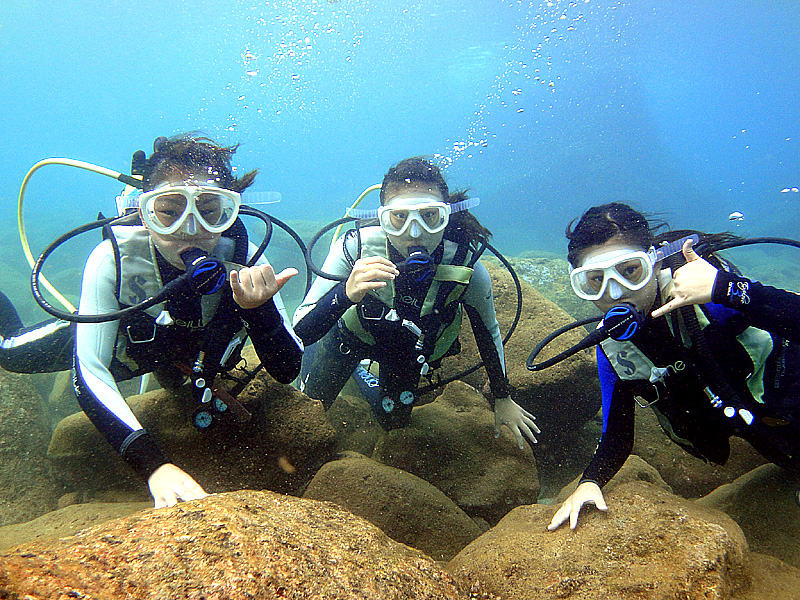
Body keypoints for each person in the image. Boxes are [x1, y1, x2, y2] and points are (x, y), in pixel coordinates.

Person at [1, 134, 303, 508]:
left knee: (179, 383)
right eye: (170, 210)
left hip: (192, 360)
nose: (190, 229)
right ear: (145, 213)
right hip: (129, 347)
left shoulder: (247, 261)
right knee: (9, 352)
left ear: (230, 213)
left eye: (209, 211)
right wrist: (153, 465)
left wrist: (259, 311)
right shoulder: (113, 259)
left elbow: (287, 370)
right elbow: (90, 369)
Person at [548, 202, 800, 531]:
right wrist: (590, 482)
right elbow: (617, 435)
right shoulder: (614, 347)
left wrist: (723, 288)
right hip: (763, 430)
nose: (615, 292)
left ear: (654, 262)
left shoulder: (707, 296)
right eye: (595, 280)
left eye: (630, 270)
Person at [293, 157, 539, 447]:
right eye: (399, 217)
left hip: (407, 355)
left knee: (393, 423)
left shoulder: (466, 266)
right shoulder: (354, 248)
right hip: (352, 338)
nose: (414, 232)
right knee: (312, 407)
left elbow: (487, 330)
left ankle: (360, 374)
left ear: (446, 215)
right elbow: (302, 330)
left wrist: (502, 397)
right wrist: (346, 292)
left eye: (429, 215)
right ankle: (341, 362)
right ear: (383, 218)